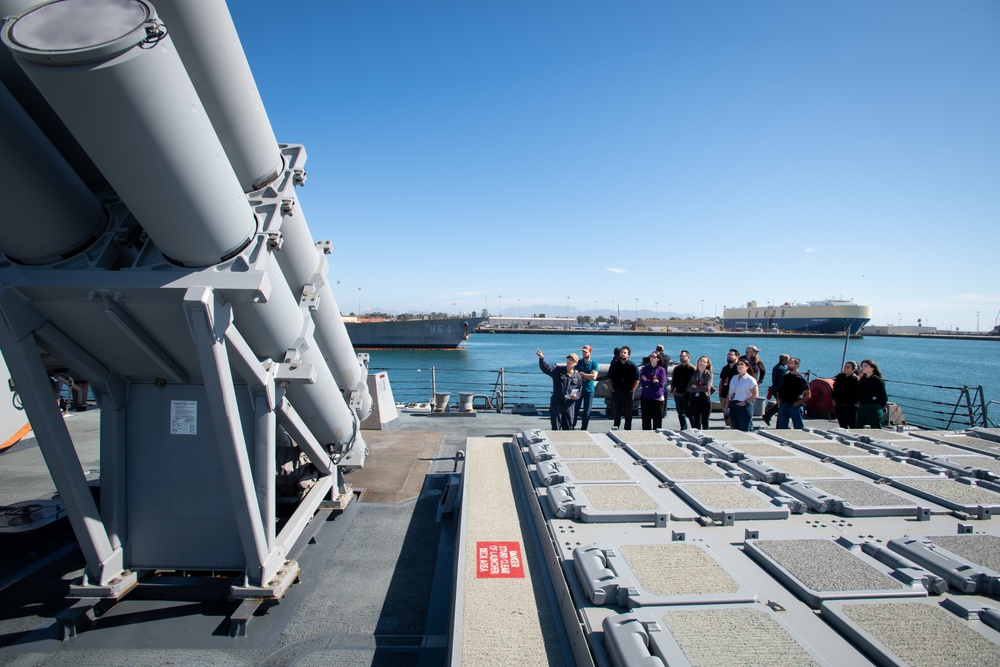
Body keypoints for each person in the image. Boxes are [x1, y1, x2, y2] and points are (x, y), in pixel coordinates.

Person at [536, 349, 583, 430]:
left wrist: (576, 396)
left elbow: (579, 390)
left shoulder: (577, 376)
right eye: (568, 359)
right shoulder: (558, 370)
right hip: (557, 403)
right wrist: (541, 359)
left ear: (576, 363)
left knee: (568, 426)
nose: (569, 361)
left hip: (569, 405)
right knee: (556, 427)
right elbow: (546, 368)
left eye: (572, 360)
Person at [607, 345, 639, 430]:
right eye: (621, 352)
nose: (623, 354)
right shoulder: (615, 364)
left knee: (628, 413)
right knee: (617, 412)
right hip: (617, 392)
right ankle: (616, 428)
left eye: (625, 353)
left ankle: (627, 430)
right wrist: (612, 390)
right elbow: (609, 378)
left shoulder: (633, 365)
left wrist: (632, 390)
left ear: (628, 355)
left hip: (628, 392)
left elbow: (637, 380)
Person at [776, 357, 811, 429]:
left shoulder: (801, 379)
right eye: (788, 363)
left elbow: (808, 394)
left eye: (791, 363)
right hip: (784, 404)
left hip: (795, 404)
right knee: (781, 426)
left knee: (798, 426)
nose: (788, 365)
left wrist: (798, 403)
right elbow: (780, 389)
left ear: (797, 365)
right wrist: (779, 400)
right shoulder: (785, 377)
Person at [727, 359, 759, 432]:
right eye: (738, 364)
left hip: (744, 406)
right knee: (735, 429)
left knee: (744, 429)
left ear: (747, 367)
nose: (739, 366)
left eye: (741, 364)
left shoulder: (750, 379)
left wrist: (744, 402)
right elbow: (730, 392)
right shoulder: (734, 377)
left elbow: (755, 394)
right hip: (733, 404)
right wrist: (727, 405)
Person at [639, 351, 667, 430]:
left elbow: (661, 384)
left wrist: (648, 382)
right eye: (651, 356)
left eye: (654, 357)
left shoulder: (661, 370)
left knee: (657, 420)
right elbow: (642, 382)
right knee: (646, 419)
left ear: (658, 359)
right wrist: (653, 381)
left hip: (657, 397)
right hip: (646, 396)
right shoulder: (645, 369)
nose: (652, 358)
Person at [573, 344, 599, 430]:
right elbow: (575, 375)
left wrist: (582, 374)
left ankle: (584, 429)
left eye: (585, 352)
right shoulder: (579, 363)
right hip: (579, 390)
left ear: (590, 352)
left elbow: (594, 377)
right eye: (583, 352)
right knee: (575, 410)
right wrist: (588, 375)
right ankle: (571, 427)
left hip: (589, 390)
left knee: (587, 412)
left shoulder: (594, 363)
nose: (583, 353)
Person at [856, 359, 887, 428]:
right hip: (862, 406)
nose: (863, 368)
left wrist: (878, 407)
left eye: (865, 366)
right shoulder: (863, 379)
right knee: (859, 426)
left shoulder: (877, 380)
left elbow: (883, 396)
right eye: (862, 366)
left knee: (875, 427)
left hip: (873, 406)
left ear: (872, 368)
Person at [686, 355, 714, 429]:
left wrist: (695, 387)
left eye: (704, 362)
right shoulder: (694, 373)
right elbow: (688, 388)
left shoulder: (709, 374)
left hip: (705, 399)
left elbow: (706, 388)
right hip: (695, 399)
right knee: (696, 421)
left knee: (705, 421)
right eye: (700, 361)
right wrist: (698, 388)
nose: (701, 363)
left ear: (707, 364)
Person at [670, 350, 696, 430]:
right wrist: (672, 390)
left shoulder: (692, 369)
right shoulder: (677, 368)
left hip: (688, 394)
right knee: (680, 413)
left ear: (688, 357)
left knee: (690, 413)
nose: (681, 358)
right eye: (680, 356)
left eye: (683, 356)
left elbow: (694, 382)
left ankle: (695, 428)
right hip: (678, 393)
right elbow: (673, 380)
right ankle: (683, 428)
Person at [762, 354, 790, 426]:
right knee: (780, 406)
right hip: (779, 390)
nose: (788, 362)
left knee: (779, 405)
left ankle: (768, 416)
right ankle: (773, 419)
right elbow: (781, 381)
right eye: (787, 361)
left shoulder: (777, 367)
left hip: (775, 389)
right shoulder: (782, 369)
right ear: (784, 360)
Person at [832, 361, 861, 428]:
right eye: (845, 366)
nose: (845, 368)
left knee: (852, 425)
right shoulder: (840, 377)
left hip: (850, 406)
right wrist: (833, 398)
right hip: (839, 405)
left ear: (853, 369)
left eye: (848, 367)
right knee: (842, 425)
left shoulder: (855, 379)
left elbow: (857, 394)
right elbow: (835, 389)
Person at [718, 349, 739, 427]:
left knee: (733, 417)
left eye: (731, 355)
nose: (729, 356)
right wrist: (720, 395)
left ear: (737, 356)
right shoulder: (725, 368)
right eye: (728, 355)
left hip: (733, 397)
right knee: (726, 416)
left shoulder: (738, 368)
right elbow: (721, 382)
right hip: (724, 395)